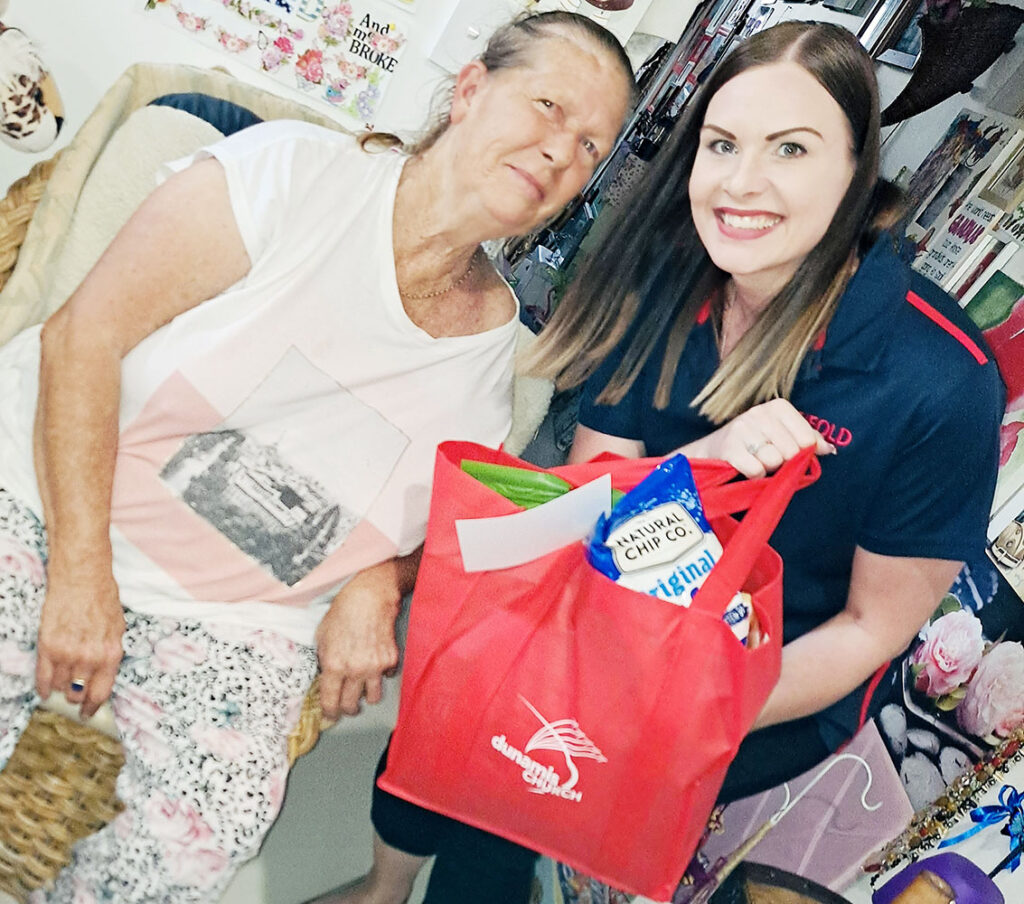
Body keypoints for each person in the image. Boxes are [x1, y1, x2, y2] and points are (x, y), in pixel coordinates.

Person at [339, 19, 1005, 904]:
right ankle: (382, 889)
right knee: (456, 726)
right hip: (596, 606)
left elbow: (868, 630)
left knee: (534, 817)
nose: (742, 182)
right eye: (722, 144)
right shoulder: (668, 282)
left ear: (854, 170)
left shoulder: (941, 379)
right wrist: (701, 461)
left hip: (745, 687)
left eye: (792, 149)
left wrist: (673, 702)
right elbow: (580, 503)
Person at [0, 11, 635, 903]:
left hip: (231, 621)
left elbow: (436, 535)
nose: (560, 151)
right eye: (546, 106)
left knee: (194, 841)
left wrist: (382, 581)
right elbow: (82, 339)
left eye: (589, 146)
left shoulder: (497, 363)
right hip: (45, 495)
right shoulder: (293, 176)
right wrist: (78, 570)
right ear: (468, 90)